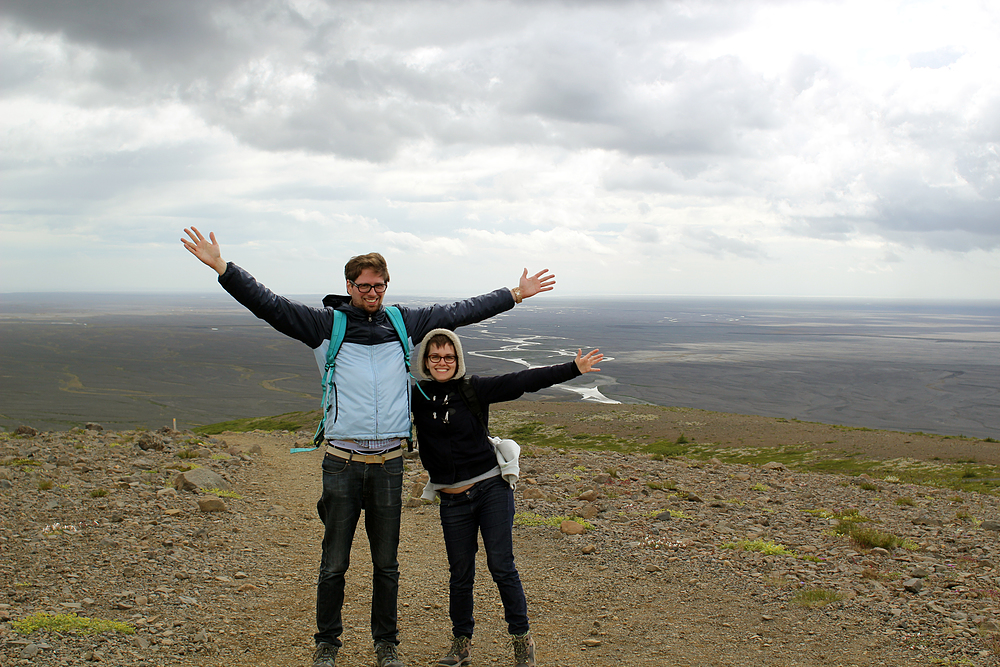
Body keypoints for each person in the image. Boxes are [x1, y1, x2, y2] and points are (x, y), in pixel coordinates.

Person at [180, 227, 555, 667]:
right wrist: (225, 269)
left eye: (379, 285)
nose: (372, 292)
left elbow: (461, 311)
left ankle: (387, 645)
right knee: (334, 561)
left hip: (389, 463)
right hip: (342, 460)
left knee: (387, 564)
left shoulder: (404, 323)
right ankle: (327, 644)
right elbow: (270, 305)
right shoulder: (325, 326)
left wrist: (514, 293)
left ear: (386, 286)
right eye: (364, 285)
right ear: (349, 286)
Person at [410, 328, 602, 667]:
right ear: (425, 361)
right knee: (460, 572)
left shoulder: (474, 388)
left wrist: (573, 368)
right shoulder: (417, 395)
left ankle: (520, 640)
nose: (442, 362)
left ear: (458, 360)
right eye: (435, 356)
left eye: (448, 356)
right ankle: (461, 645)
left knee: (501, 565)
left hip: (490, 489)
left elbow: (523, 380)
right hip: (451, 499)